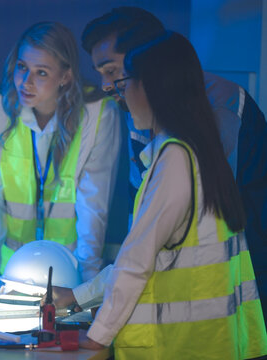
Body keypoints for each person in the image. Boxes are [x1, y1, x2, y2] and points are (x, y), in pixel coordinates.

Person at [50, 6, 267, 320]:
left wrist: (89, 301)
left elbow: (162, 235)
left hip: (241, 285)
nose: (107, 85)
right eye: (100, 73)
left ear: (149, 57)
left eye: (111, 71)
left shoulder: (220, 106)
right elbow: (142, 223)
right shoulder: (139, 108)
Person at [0, 21, 121, 292]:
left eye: (41, 72)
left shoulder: (97, 113)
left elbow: (93, 205)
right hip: (12, 272)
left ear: (65, 76)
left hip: (69, 273)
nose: (25, 82)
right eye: (22, 67)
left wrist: (86, 287)